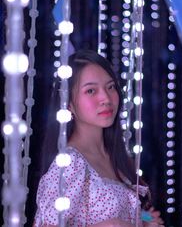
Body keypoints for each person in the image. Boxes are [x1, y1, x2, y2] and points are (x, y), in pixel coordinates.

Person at [33, 50, 164, 227]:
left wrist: (146, 220)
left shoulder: (115, 156)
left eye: (110, 87)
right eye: (91, 91)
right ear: (69, 103)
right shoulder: (71, 163)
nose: (105, 98)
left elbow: (114, 208)